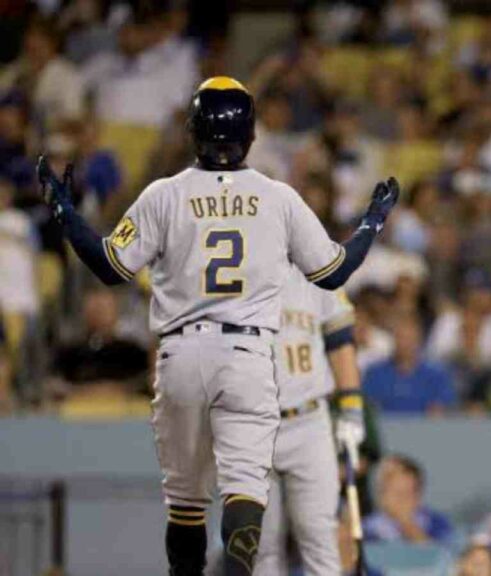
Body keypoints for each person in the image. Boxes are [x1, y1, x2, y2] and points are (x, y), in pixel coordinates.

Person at [36, 76, 398, 575]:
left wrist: (64, 211)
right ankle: (239, 548)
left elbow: (109, 266)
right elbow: (334, 271)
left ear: (194, 130)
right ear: (250, 134)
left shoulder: (165, 193)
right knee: (246, 492)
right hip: (249, 355)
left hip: (181, 353)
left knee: (185, 499)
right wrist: (372, 223)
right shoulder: (277, 196)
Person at [253, 271, 361, 576]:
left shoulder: (318, 268)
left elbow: (341, 343)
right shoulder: (231, 270)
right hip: (251, 424)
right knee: (259, 543)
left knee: (320, 536)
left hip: (308, 420)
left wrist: (351, 407)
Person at [363, 314, 457, 415]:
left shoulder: (437, 375)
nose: (405, 344)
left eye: (409, 339)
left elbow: (444, 408)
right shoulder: (375, 373)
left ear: (418, 341)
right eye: (400, 338)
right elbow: (369, 408)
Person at [363, 454, 453, 544]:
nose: (402, 500)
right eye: (398, 493)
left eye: (408, 493)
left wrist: (407, 525)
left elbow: (440, 553)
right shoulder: (366, 529)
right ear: (381, 495)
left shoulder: (436, 524)